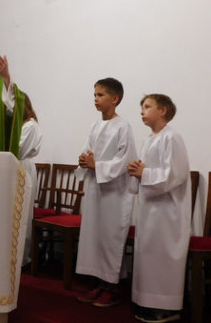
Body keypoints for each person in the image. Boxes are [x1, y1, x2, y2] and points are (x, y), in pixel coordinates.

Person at [75, 78, 137, 307]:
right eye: (94, 95)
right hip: (96, 190)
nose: (95, 99)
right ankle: (100, 284)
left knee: (111, 238)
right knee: (95, 238)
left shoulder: (123, 127)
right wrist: (84, 160)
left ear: (115, 99)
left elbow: (126, 161)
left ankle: (112, 288)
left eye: (100, 95)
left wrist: (97, 165)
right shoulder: (95, 126)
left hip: (114, 194)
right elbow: (88, 152)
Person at [127, 94, 190, 323]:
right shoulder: (149, 140)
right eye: (142, 107)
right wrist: (136, 170)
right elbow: (146, 172)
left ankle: (166, 307)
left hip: (167, 212)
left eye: (147, 107)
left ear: (162, 110)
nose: (142, 111)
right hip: (150, 210)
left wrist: (144, 173)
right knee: (148, 255)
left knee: (162, 257)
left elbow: (175, 175)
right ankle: (147, 301)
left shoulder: (171, 138)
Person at [19, 95, 43, 265]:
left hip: (22, 167)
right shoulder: (21, 125)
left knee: (22, 213)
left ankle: (22, 258)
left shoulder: (30, 125)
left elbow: (18, 149)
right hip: (13, 166)